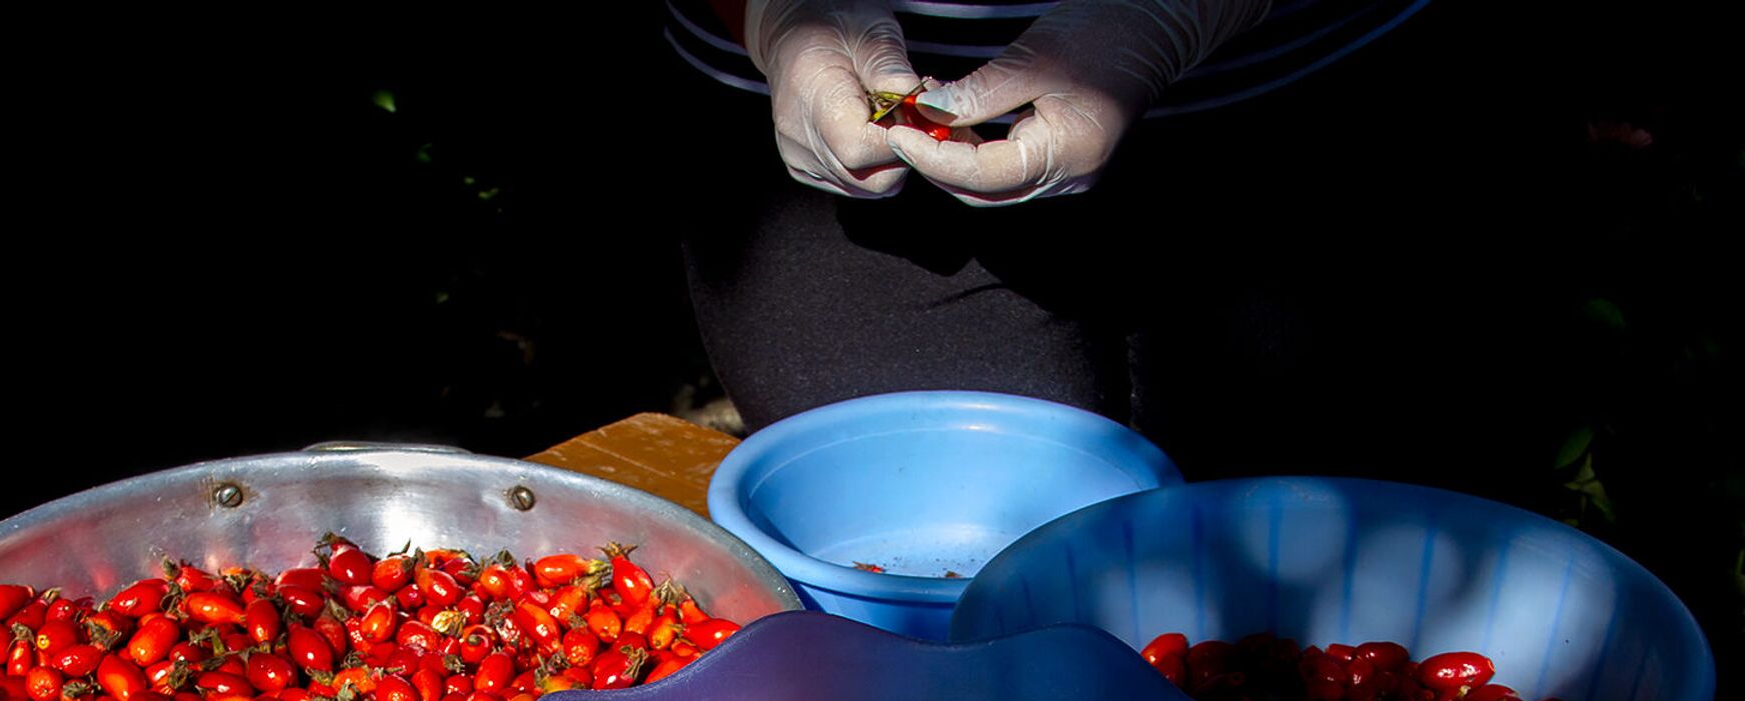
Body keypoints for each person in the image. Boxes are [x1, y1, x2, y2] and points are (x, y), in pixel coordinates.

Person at [664, 0, 1568, 491]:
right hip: (854, 142)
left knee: (1339, 582)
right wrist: (772, 14)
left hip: (1327, 104)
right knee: (937, 584)